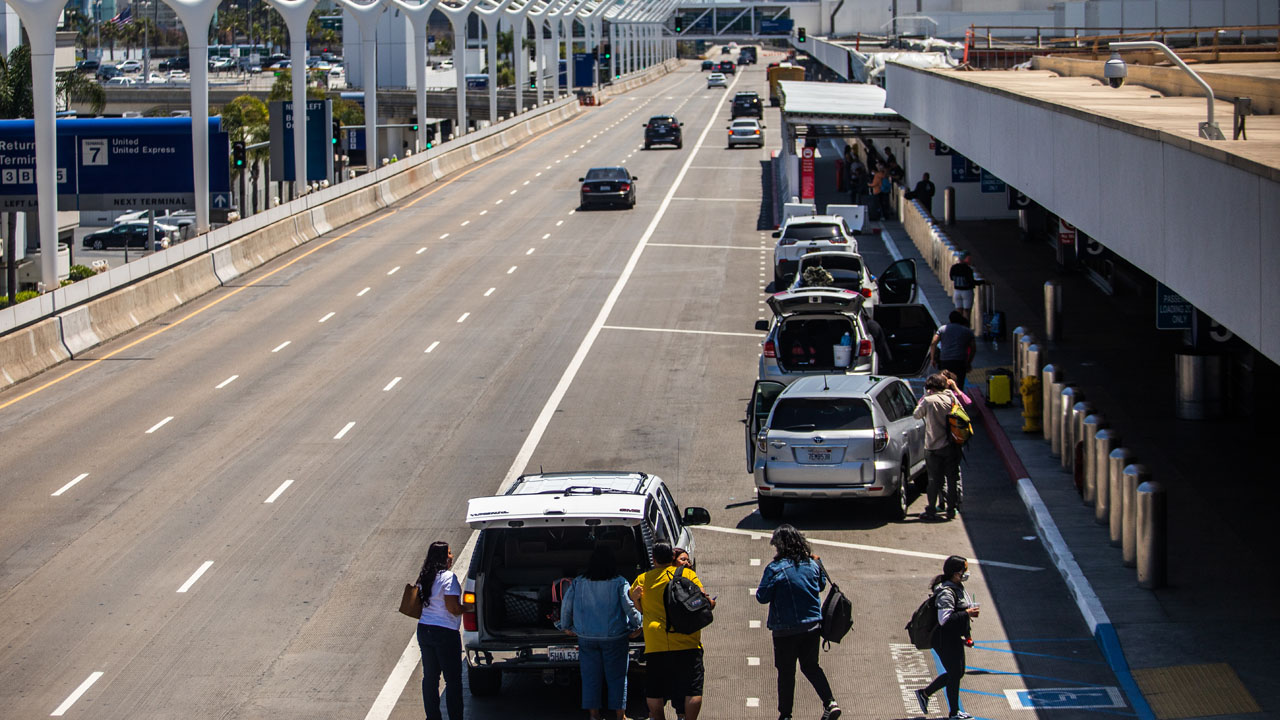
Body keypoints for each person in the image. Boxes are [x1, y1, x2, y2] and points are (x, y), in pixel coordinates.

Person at [755, 525, 842, 720]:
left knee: (786, 672)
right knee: (811, 666)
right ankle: (830, 702)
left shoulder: (774, 569)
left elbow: (762, 596)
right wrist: (818, 564)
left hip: (784, 631)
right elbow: (821, 585)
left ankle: (786, 715)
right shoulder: (812, 565)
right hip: (812, 627)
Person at [630, 541, 715, 720]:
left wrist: (638, 599)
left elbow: (639, 607)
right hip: (688, 640)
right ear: (672, 557)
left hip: (656, 643)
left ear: (653, 559)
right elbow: (701, 600)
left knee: (655, 690)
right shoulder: (687, 574)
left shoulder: (643, 580)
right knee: (692, 688)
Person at [558, 546, 643, 720]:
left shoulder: (578, 582)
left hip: (586, 637)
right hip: (615, 638)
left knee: (590, 677)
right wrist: (638, 625)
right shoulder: (620, 582)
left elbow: (566, 605)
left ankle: (594, 714)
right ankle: (620, 715)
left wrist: (566, 626)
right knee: (617, 677)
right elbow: (629, 607)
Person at [915, 556, 979, 719]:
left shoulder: (958, 587)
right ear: (956, 573)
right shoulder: (946, 592)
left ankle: (925, 694)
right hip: (943, 639)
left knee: (957, 673)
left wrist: (967, 635)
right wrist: (967, 613)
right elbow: (945, 620)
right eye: (964, 569)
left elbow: (961, 614)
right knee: (955, 673)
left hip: (953, 637)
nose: (966, 573)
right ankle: (953, 712)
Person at [415, 541, 472, 720]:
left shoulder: (424, 577)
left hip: (424, 629)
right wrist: (468, 608)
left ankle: (433, 717)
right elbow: (453, 608)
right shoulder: (448, 578)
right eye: (449, 553)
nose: (451, 556)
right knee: (453, 680)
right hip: (445, 632)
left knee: (430, 678)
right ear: (442, 557)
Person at [913, 374, 962, 520]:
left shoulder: (928, 401)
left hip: (933, 446)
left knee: (934, 480)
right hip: (951, 445)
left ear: (931, 387)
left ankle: (931, 510)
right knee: (952, 479)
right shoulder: (951, 398)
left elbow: (916, 415)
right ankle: (951, 509)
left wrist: (925, 397)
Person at [928, 311, 975, 380]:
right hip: (960, 360)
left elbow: (933, 343)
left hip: (945, 360)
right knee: (959, 381)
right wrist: (968, 362)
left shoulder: (942, 329)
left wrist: (932, 359)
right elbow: (973, 348)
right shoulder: (967, 331)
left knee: (945, 381)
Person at [949, 252, 976, 321]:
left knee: (959, 310)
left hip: (957, 291)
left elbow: (951, 278)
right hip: (967, 291)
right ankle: (965, 325)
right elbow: (970, 281)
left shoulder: (954, 267)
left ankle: (959, 325)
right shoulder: (968, 269)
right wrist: (982, 282)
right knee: (967, 311)